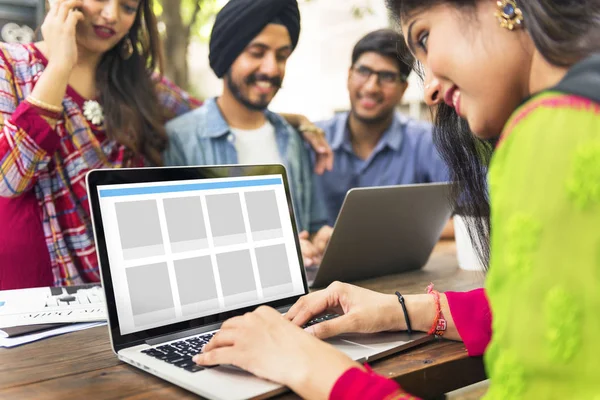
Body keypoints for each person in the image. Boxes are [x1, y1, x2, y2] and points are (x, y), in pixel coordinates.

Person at [191, 0, 600, 399]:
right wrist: (402, 310)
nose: (431, 91)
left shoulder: (552, 132)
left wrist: (309, 366)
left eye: (424, 37)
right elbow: (543, 313)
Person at [0, 0, 204, 290]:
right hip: (30, 294)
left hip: (124, 293)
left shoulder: (140, 85)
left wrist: (290, 123)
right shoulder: (8, 65)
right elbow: (8, 177)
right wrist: (59, 65)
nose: (111, 15)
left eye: (128, 8)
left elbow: (212, 119)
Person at [164, 0, 330, 267]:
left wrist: (323, 237)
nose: (271, 69)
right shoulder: (180, 140)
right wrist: (276, 251)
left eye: (281, 56)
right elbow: (178, 248)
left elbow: (312, 222)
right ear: (228, 55)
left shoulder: (293, 137)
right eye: (257, 52)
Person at [315, 29, 449, 226]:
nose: (371, 87)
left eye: (387, 76)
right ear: (349, 75)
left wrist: (390, 230)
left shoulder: (427, 141)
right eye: (363, 71)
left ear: (403, 89)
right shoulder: (314, 139)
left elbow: (473, 213)